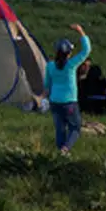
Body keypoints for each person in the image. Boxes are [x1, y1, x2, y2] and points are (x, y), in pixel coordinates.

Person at [42, 23, 90, 154]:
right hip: (69, 102)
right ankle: (65, 149)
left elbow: (47, 84)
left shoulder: (50, 66)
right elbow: (86, 50)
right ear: (69, 53)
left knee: (60, 129)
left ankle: (59, 152)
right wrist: (81, 31)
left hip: (54, 101)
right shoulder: (71, 65)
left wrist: (43, 98)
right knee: (75, 127)